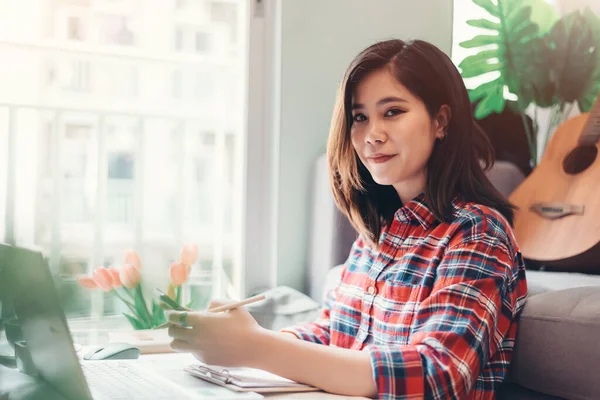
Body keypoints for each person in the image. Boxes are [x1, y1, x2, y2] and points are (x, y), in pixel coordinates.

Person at [166, 39, 528, 399]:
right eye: (359, 117)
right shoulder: (376, 238)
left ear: (441, 121)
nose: (372, 135)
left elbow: (437, 376)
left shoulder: (478, 232)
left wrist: (256, 347)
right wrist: (237, 339)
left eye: (392, 112)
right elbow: (334, 333)